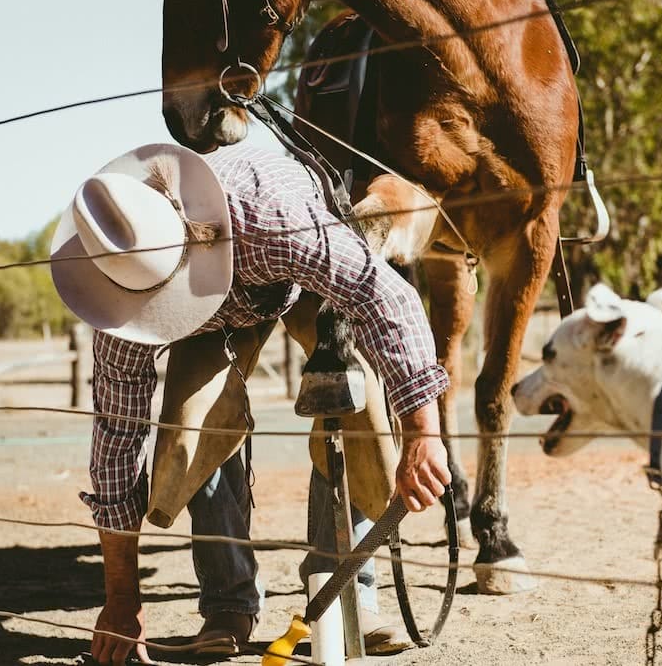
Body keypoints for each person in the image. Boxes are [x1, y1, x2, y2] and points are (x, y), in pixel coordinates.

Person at [49, 142, 452, 666]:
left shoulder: (272, 219)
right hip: (211, 312)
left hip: (300, 279)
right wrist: (121, 602)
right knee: (189, 432)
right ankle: (226, 607)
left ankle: (352, 595)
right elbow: (117, 446)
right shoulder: (120, 298)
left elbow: (386, 298)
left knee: (355, 400)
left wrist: (423, 433)